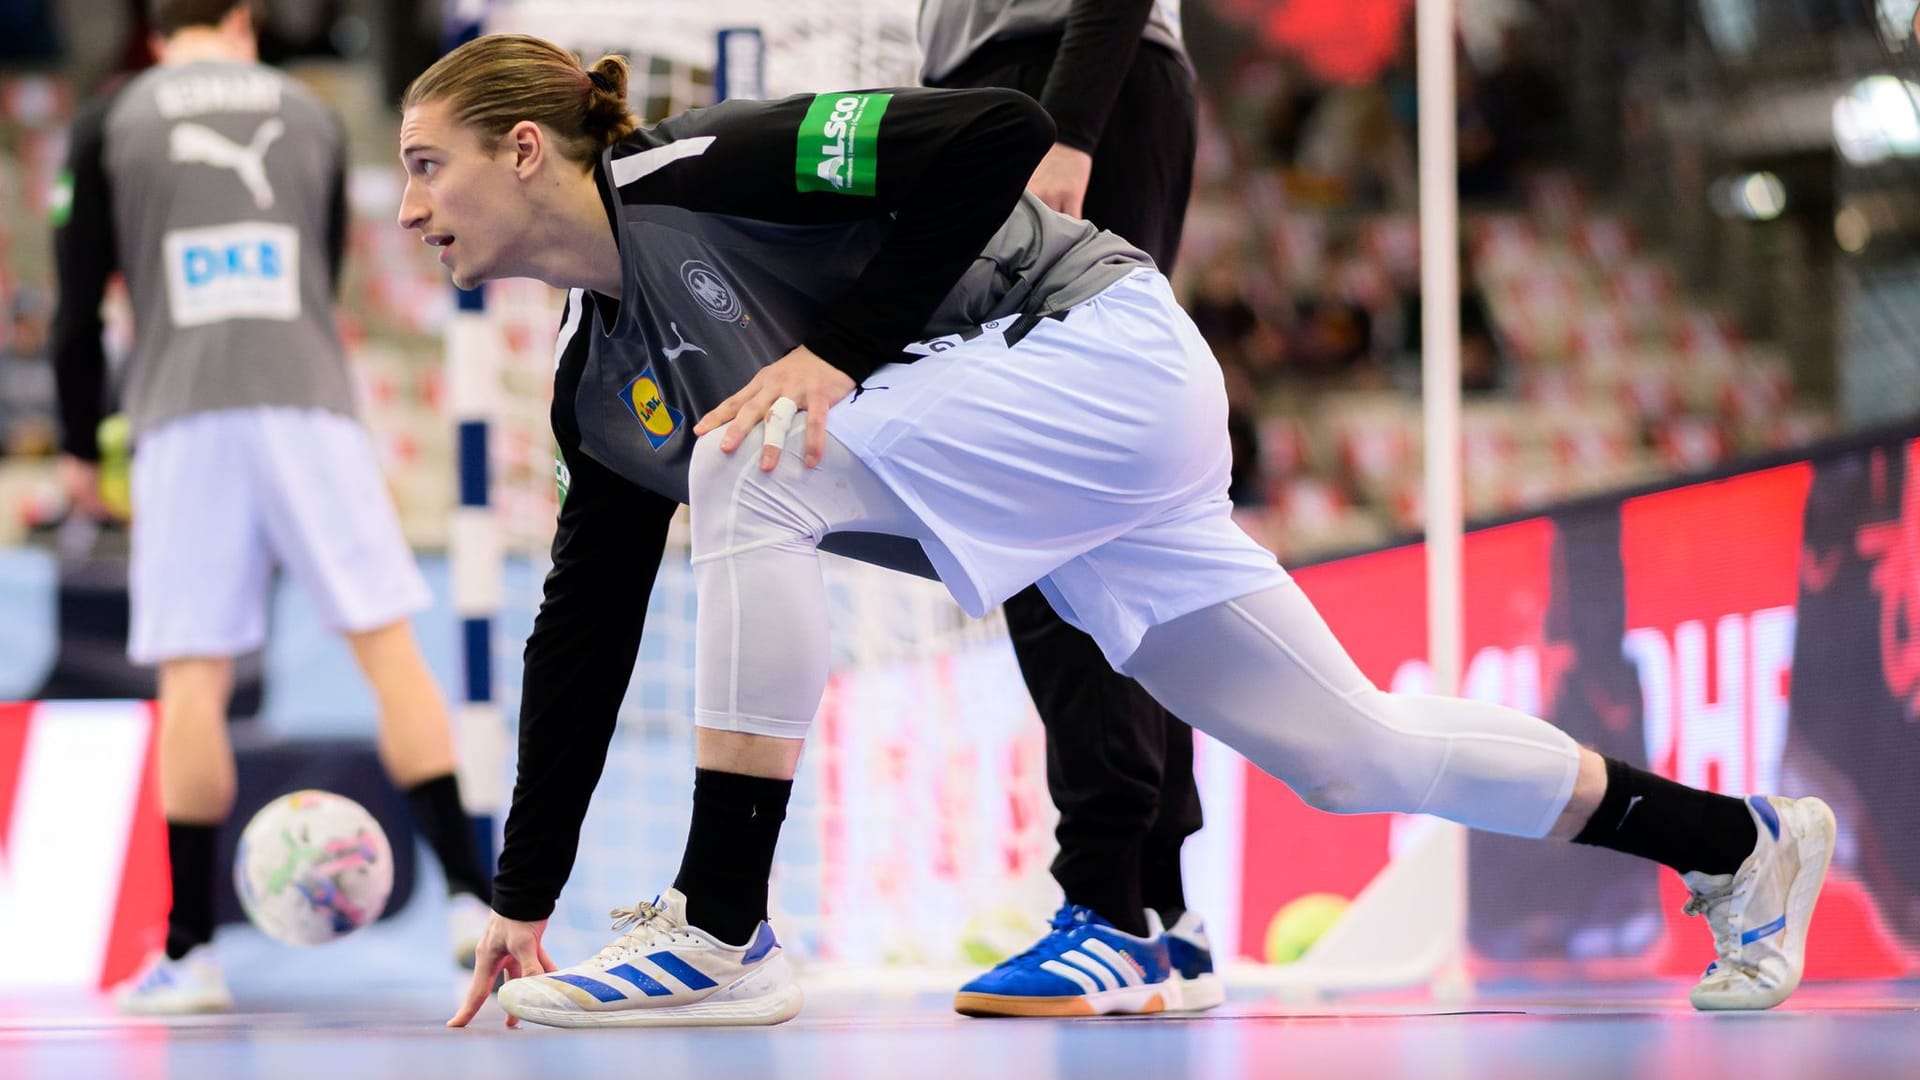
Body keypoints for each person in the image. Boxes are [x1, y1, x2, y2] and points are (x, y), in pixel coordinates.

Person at [396, 35, 1834, 1030]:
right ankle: (1739, 845)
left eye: (424, 168)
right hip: (1076, 464)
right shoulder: (601, 388)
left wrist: (834, 351)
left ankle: (720, 926)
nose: (406, 211)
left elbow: (999, 133)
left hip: (1094, 352)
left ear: (526, 151)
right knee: (1352, 755)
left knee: (755, 464)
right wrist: (524, 899)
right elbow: (578, 638)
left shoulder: (703, 166)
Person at [51, 0, 494, 1014]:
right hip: (311, 405)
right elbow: (321, 270)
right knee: (388, 650)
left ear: (156, 32)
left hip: (182, 414)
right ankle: (473, 904)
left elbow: (80, 307)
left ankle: (191, 952)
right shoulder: (308, 109)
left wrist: (82, 446)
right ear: (246, 20)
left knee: (193, 680)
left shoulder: (112, 117)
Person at [917, 0, 1219, 1016]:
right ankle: (1158, 910)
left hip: (1065, 75)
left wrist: (1070, 123)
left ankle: (1110, 901)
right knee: (1087, 511)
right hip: (1008, 90)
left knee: (1056, 499)